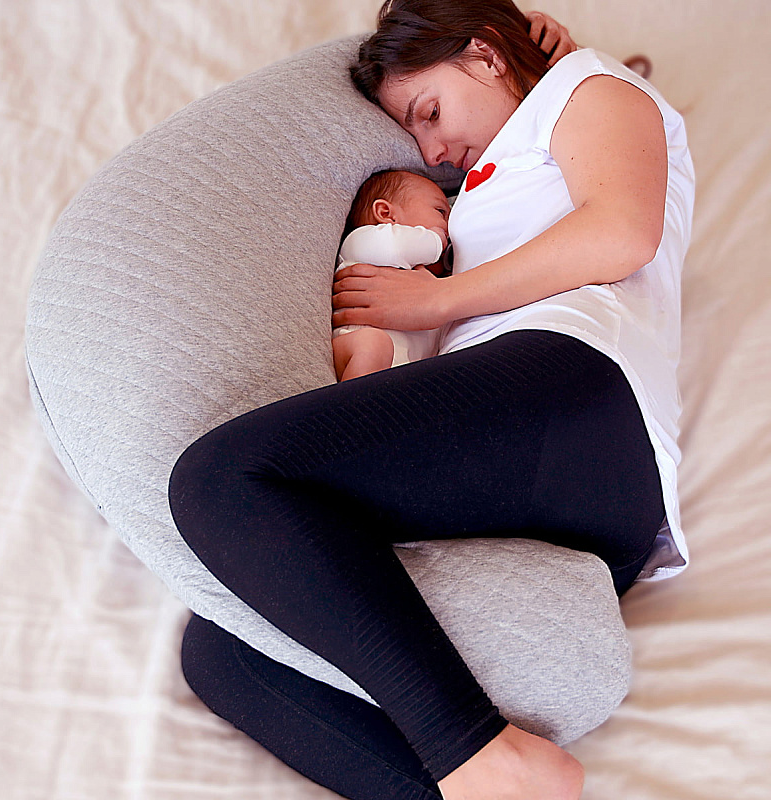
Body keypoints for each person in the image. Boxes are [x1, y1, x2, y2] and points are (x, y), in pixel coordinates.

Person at [168, 2, 694, 799]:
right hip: (544, 478)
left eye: (429, 111)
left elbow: (622, 231)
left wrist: (436, 302)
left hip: (578, 392)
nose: (432, 150)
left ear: (485, 55)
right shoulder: (483, 176)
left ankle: (470, 750)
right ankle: (485, 782)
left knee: (221, 478)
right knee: (224, 647)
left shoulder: (587, 85)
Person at [333, 169, 452, 381]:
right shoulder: (361, 242)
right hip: (356, 348)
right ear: (386, 214)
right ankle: (352, 402)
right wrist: (436, 239)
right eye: (440, 211)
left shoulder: (431, 283)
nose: (450, 226)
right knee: (373, 345)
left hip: (399, 378)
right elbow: (395, 247)